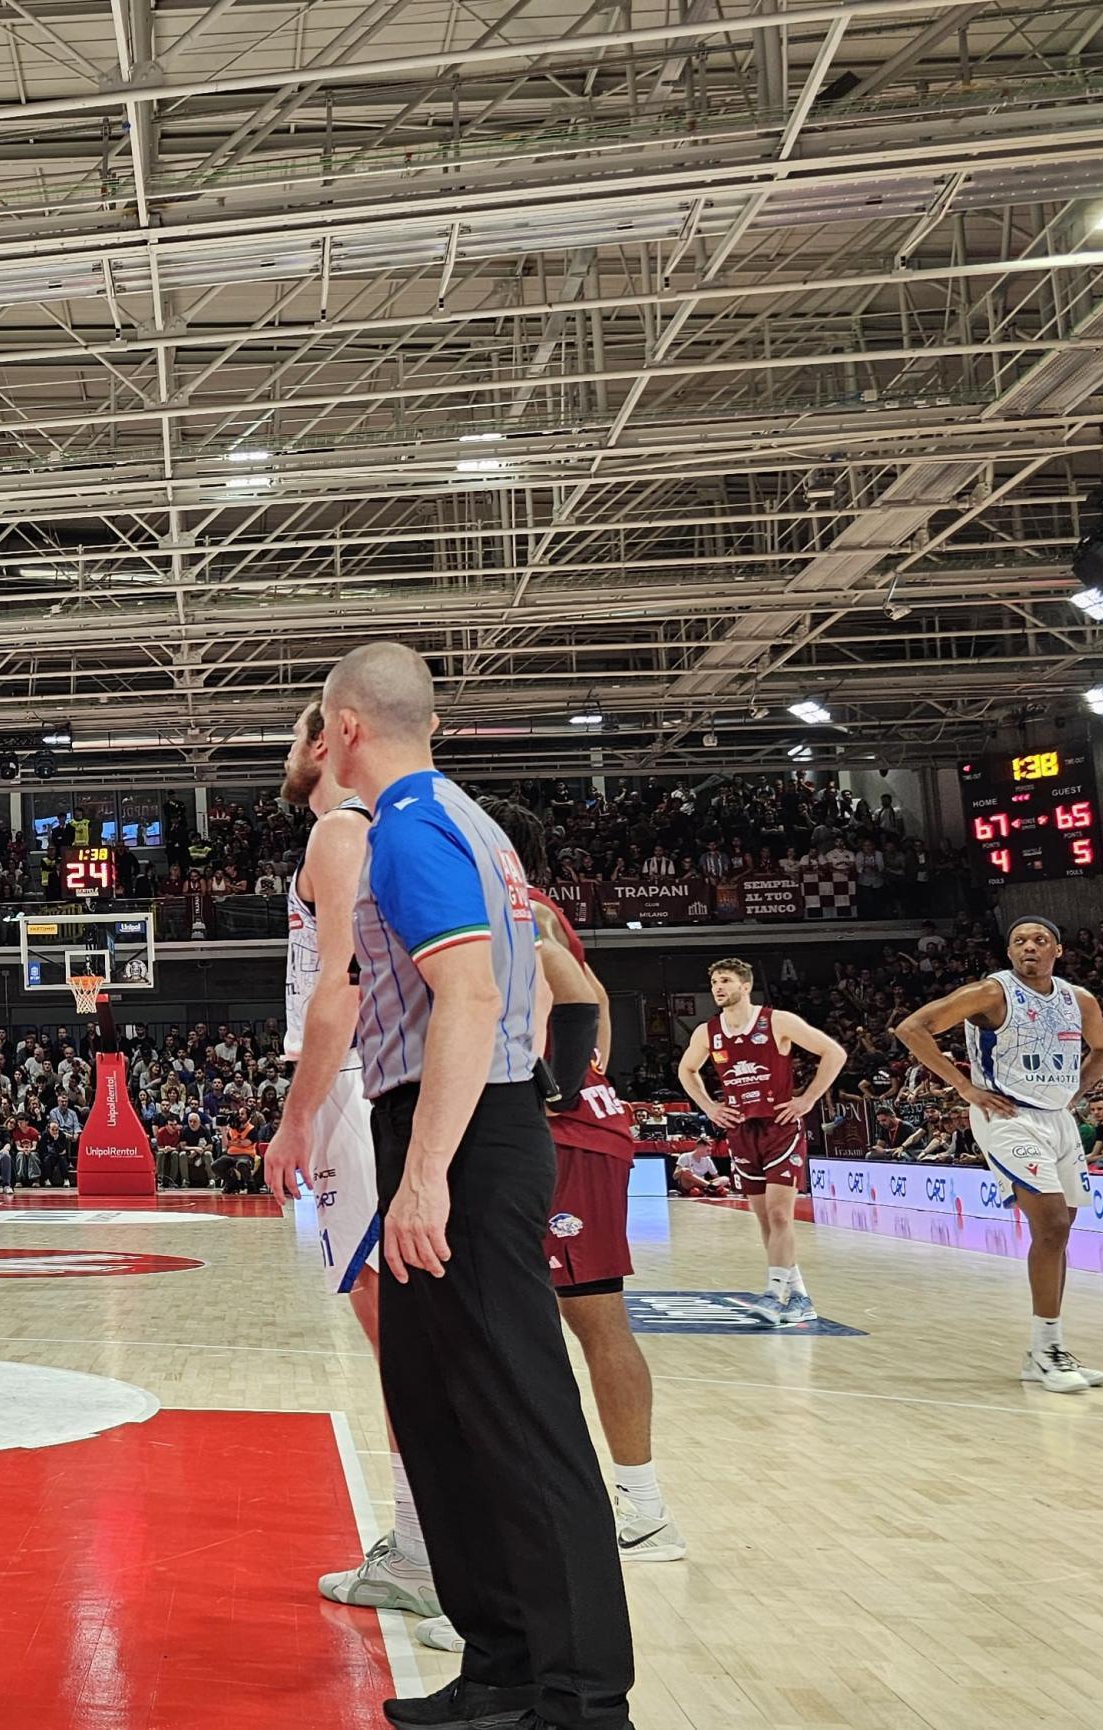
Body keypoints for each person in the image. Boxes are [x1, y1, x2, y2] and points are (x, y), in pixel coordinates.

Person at [317, 641, 632, 1730]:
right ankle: (502, 1664)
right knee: (442, 1406)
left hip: (462, 1132)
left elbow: (469, 996)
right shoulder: (469, 820)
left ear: (346, 726)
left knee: (520, 1412)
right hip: (462, 1122)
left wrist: (424, 1175)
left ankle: (581, 1696)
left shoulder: (409, 827)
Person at [267, 701, 441, 1628]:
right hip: (377, 1079)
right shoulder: (390, 829)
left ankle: (431, 1557)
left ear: (326, 741)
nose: (286, 758)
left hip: (355, 1085)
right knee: (407, 1335)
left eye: (293, 740)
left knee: (403, 1339)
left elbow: (340, 983)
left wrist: (295, 1119)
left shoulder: (341, 830)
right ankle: (427, 1547)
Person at [485, 797, 684, 1570]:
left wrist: (562, 1086)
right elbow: (595, 998)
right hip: (565, 1126)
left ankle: (642, 1508)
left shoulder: (523, 908)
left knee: (593, 1319)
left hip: (568, 1134)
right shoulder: (535, 906)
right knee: (527, 1319)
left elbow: (582, 1000)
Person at [893, 918, 1103, 1393]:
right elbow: (912, 1028)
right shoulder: (991, 992)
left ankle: (1044, 1350)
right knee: (1051, 1224)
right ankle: (1047, 1350)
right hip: (1008, 1115)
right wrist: (964, 1087)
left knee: (1061, 1231)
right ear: (1010, 952)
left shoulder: (1079, 999)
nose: (1029, 947)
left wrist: (1075, 1092)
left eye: (1039, 940)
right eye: (1019, 941)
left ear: (1057, 949)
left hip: (1058, 1119)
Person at [674, 958, 848, 1323]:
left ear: (745, 986)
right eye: (714, 982)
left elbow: (834, 1053)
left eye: (725, 981)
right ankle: (799, 1297)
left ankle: (773, 1294)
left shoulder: (777, 1021)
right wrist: (709, 1107)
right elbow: (686, 1069)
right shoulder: (708, 1032)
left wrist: (808, 1099)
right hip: (741, 1131)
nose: (717, 987)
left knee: (781, 1214)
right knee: (766, 1220)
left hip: (779, 1127)